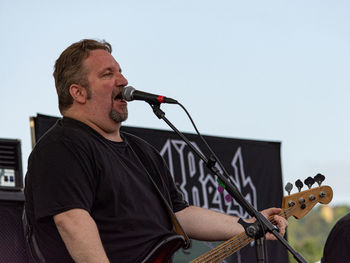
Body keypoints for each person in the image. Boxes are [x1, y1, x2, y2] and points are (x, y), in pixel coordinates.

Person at [24, 39, 288, 263]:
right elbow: (73, 223)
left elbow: (181, 215)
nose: (123, 81)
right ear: (78, 93)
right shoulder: (61, 147)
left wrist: (248, 224)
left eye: (120, 71)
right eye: (107, 74)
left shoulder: (142, 152)